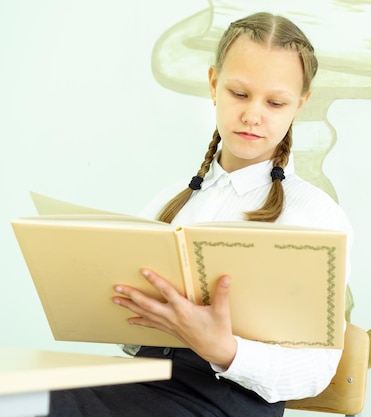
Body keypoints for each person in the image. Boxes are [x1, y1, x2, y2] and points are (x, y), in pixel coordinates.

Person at [42, 11, 353, 417]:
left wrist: (222, 348)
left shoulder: (315, 217)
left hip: (224, 403)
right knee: (22, 395)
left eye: (275, 102)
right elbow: (128, 334)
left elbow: (313, 373)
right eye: (239, 94)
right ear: (213, 84)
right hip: (138, 385)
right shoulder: (169, 201)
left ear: (300, 105)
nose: (253, 114)